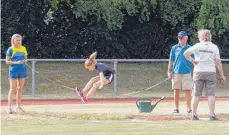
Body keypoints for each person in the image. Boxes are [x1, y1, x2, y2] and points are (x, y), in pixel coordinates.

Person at [184, 29, 226, 120]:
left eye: (199, 36)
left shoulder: (197, 46)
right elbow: (218, 62)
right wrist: (222, 75)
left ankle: (194, 115)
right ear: (209, 36)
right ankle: (212, 115)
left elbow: (186, 53)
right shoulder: (214, 47)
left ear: (201, 37)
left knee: (196, 94)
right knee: (211, 94)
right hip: (211, 72)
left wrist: (192, 61)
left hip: (198, 71)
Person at [167, 31, 193, 113]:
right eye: (179, 37)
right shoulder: (174, 48)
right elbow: (171, 60)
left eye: (182, 37)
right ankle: (176, 108)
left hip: (187, 72)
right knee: (176, 90)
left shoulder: (190, 48)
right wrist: (169, 71)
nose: (180, 39)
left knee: (188, 90)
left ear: (186, 38)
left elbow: (194, 60)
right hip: (176, 72)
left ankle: (189, 108)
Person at [5, 34, 28, 114]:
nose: (19, 41)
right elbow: (7, 61)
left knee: (20, 89)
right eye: (17, 40)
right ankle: (9, 108)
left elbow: (25, 59)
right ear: (13, 41)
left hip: (22, 71)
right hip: (13, 71)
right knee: (12, 89)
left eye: (20, 40)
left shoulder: (23, 48)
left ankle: (18, 107)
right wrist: (16, 62)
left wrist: (24, 61)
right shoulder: (10, 49)